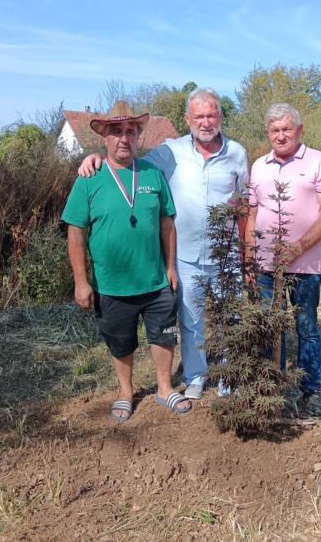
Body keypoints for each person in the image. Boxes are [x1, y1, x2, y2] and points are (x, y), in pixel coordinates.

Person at [77, 88, 249, 400]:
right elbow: (129, 161)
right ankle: (196, 376)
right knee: (190, 319)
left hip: (226, 256)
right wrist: (98, 157)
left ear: (221, 117)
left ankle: (229, 379)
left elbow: (244, 205)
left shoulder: (237, 153)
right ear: (187, 119)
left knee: (229, 317)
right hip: (185, 255)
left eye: (211, 115)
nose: (206, 122)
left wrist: (246, 252)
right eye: (199, 116)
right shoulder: (169, 152)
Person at [62, 100, 191, 421]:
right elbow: (75, 233)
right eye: (116, 131)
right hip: (111, 284)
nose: (124, 138)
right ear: (104, 137)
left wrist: (171, 267)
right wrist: (81, 282)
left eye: (130, 131)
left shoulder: (151, 173)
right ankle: (125, 392)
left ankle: (164, 389)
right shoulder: (89, 177)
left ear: (138, 136)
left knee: (163, 336)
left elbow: (166, 223)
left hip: (155, 280)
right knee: (120, 342)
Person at [246, 103, 321, 417]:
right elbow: (253, 213)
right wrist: (249, 257)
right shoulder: (258, 166)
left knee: (306, 326)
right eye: (275, 130)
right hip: (265, 267)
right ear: (267, 133)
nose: (281, 135)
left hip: (305, 266)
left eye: (287, 129)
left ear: (299, 130)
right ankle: (272, 389)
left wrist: (298, 246)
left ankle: (310, 391)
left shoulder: (318, 162)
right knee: (270, 327)